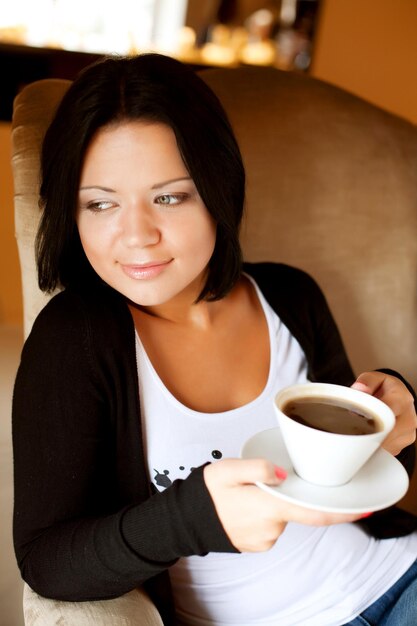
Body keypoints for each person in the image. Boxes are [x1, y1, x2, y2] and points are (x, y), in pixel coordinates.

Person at [12, 53, 417, 626]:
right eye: (100, 203)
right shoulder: (75, 340)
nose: (137, 236)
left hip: (399, 572)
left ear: (217, 188)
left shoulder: (291, 296)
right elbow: (46, 561)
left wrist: (398, 412)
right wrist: (195, 516)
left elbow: (354, 469)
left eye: (170, 197)